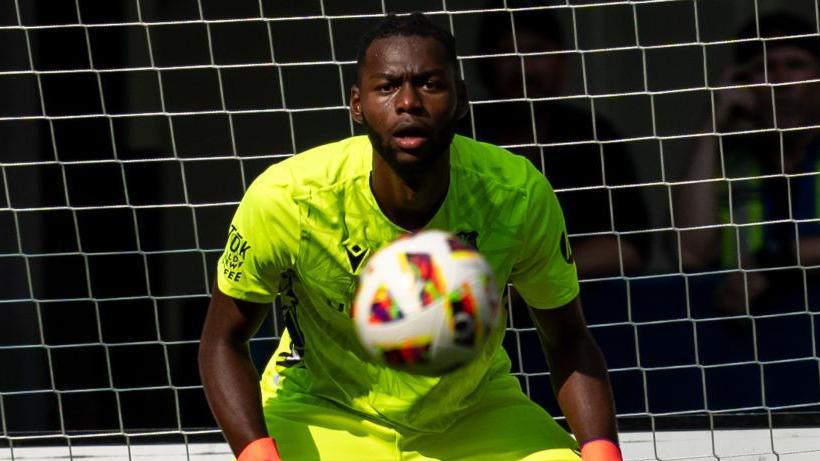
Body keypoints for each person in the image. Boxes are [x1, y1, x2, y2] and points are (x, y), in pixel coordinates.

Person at [199, 13, 621, 461]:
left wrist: (602, 452)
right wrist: (256, 453)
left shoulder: (516, 193)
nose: (408, 102)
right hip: (323, 409)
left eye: (429, 84)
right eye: (387, 87)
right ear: (356, 106)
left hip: (476, 412)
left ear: (461, 99)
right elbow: (222, 343)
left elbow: (568, 339)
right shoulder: (287, 200)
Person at [473, 6, 650, 279]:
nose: (524, 68)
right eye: (507, 53)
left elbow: (629, 247)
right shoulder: (461, 136)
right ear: (485, 65)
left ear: (562, 59)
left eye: (537, 51)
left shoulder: (592, 137)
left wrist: (535, 277)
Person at [677, 12, 820, 315]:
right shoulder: (731, 164)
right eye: (764, 68)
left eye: (796, 65)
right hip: (749, 345)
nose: (781, 82)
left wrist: (772, 265)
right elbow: (689, 253)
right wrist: (713, 122)